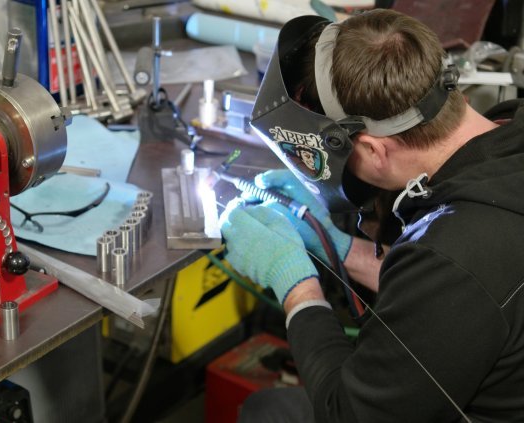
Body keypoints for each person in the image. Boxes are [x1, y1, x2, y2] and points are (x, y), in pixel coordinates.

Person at [220, 8, 524, 422]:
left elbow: (347, 413)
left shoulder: (454, 254)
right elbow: (454, 300)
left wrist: (294, 283)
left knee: (267, 411)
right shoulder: (510, 131)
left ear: (374, 150)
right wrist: (339, 246)